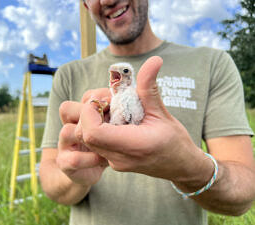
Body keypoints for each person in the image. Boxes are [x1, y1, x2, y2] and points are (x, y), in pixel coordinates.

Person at [39, 0, 255, 224]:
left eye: (122, 73)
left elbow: (244, 194)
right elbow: (50, 183)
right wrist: (79, 173)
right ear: (85, 5)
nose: (108, 1)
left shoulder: (213, 64)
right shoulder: (68, 75)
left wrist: (187, 167)